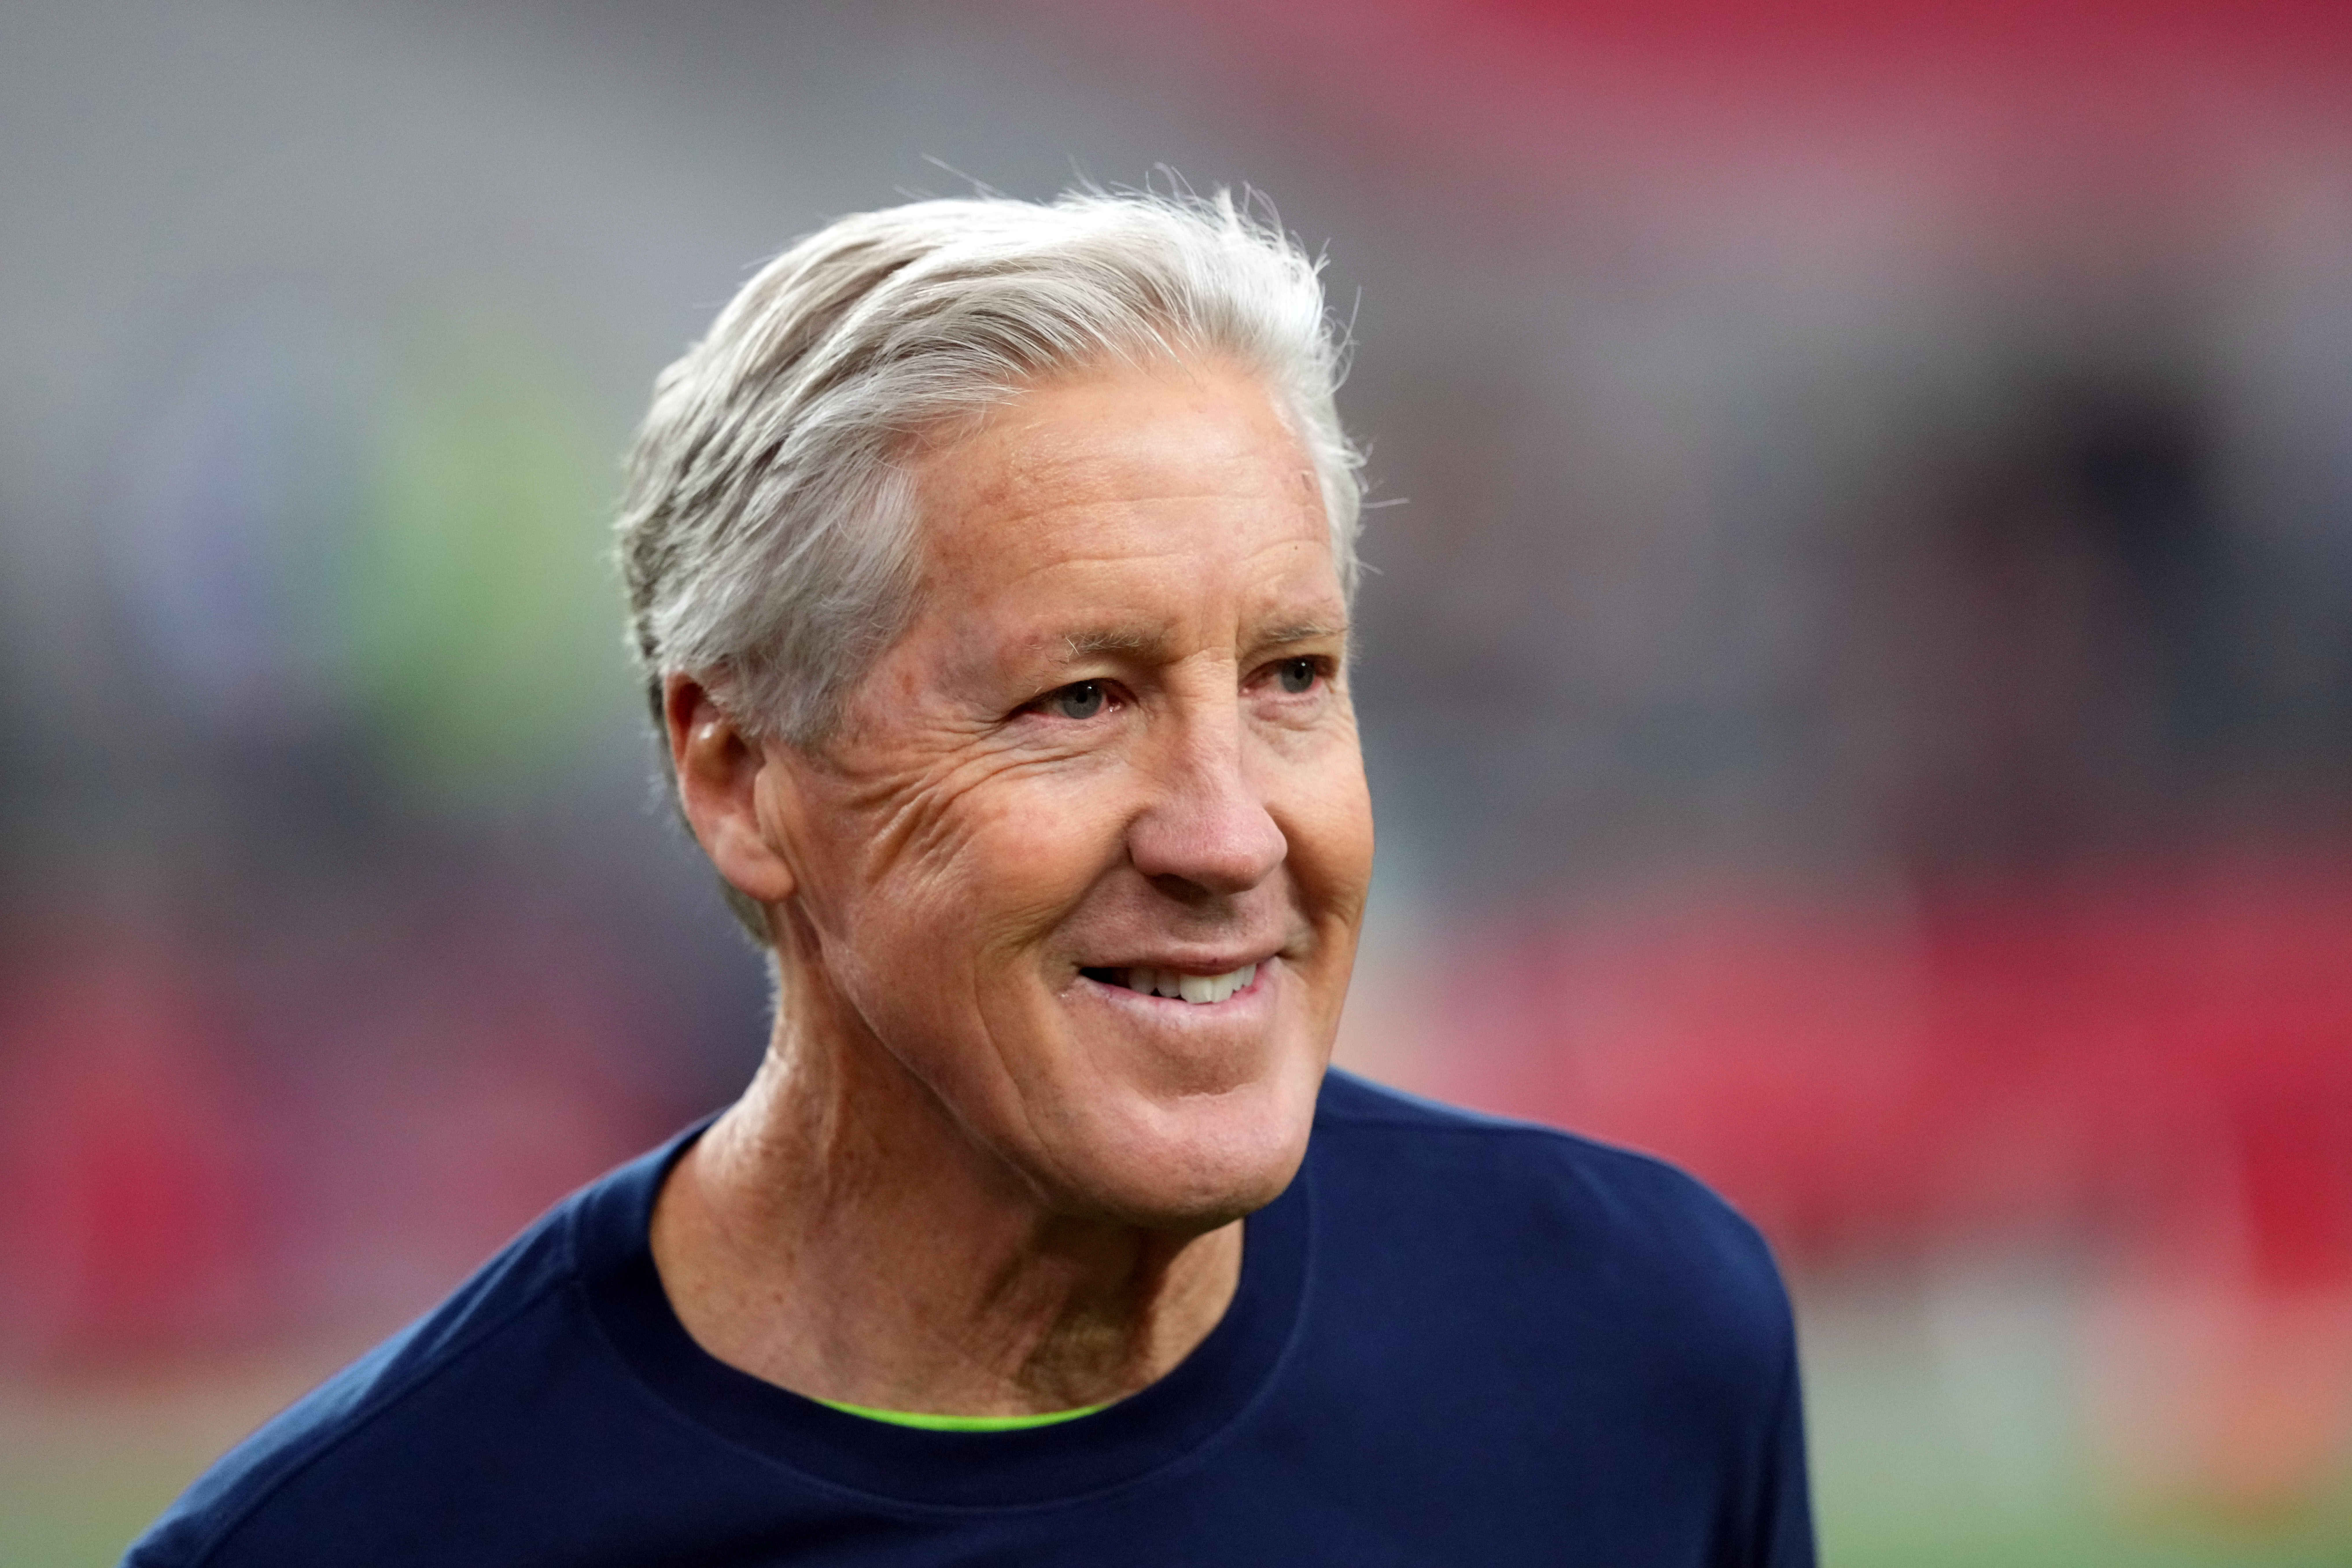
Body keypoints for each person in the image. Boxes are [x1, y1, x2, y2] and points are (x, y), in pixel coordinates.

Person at [127, 191, 1813, 1566]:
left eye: (1291, 676)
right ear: (740, 778)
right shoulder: (361, 1542)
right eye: (1079, 702)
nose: (1229, 836)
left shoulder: (1636, 1337)